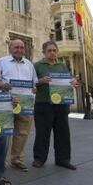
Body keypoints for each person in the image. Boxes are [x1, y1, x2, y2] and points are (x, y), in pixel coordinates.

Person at [32, 41, 80, 170]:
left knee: (63, 133)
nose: (52, 53)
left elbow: (70, 79)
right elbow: (31, 83)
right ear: (43, 52)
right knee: (42, 133)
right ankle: (39, 159)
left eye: (54, 50)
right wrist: (41, 81)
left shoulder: (63, 66)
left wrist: (74, 82)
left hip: (61, 104)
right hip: (43, 104)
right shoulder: (37, 66)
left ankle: (63, 159)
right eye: (49, 50)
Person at [0, 39, 38, 172]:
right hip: (7, 101)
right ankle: (0, 160)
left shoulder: (29, 64)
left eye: (21, 47)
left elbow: (34, 82)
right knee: (4, 133)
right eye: (16, 47)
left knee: (22, 132)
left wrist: (34, 88)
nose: (19, 50)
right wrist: (1, 84)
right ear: (10, 48)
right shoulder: (1, 61)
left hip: (25, 103)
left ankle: (16, 159)